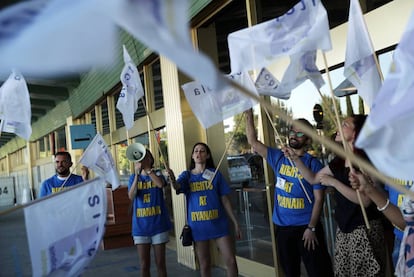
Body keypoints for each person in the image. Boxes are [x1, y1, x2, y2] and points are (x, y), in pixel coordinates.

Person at [283, 114, 386, 277]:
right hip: (344, 228)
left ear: (357, 132)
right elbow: (313, 178)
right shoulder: (338, 161)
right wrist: (296, 159)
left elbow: (366, 201)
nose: (338, 126)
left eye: (344, 124)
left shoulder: (365, 161)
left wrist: (334, 183)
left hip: (364, 229)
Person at [245, 109, 333, 277]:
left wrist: (311, 228)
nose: (293, 134)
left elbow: (319, 199)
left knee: (319, 271)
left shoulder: (313, 164)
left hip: (307, 228)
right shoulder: (278, 156)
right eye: (292, 131)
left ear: (307, 139)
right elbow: (253, 142)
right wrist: (249, 114)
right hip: (283, 228)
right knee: (290, 271)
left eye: (299, 133)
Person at [167, 142, 241, 277]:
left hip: (219, 224)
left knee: (231, 261)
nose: (198, 153)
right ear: (192, 156)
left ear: (207, 156)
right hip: (198, 226)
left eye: (202, 151)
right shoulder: (187, 176)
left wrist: (235, 222)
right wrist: (172, 178)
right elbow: (177, 187)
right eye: (196, 151)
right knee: (205, 263)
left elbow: (225, 199)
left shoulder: (215, 174)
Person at [128, 149, 172, 277]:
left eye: (145, 157)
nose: (142, 161)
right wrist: (137, 175)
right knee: (144, 265)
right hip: (140, 227)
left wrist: (148, 170)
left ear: (150, 159)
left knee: (160, 263)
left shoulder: (158, 174)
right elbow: (131, 195)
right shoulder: (133, 177)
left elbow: (160, 184)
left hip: (159, 225)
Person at [350, 172, 408, 269]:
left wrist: (370, 190)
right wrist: (374, 186)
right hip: (399, 238)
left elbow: (408, 225)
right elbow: (389, 199)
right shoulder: (396, 166)